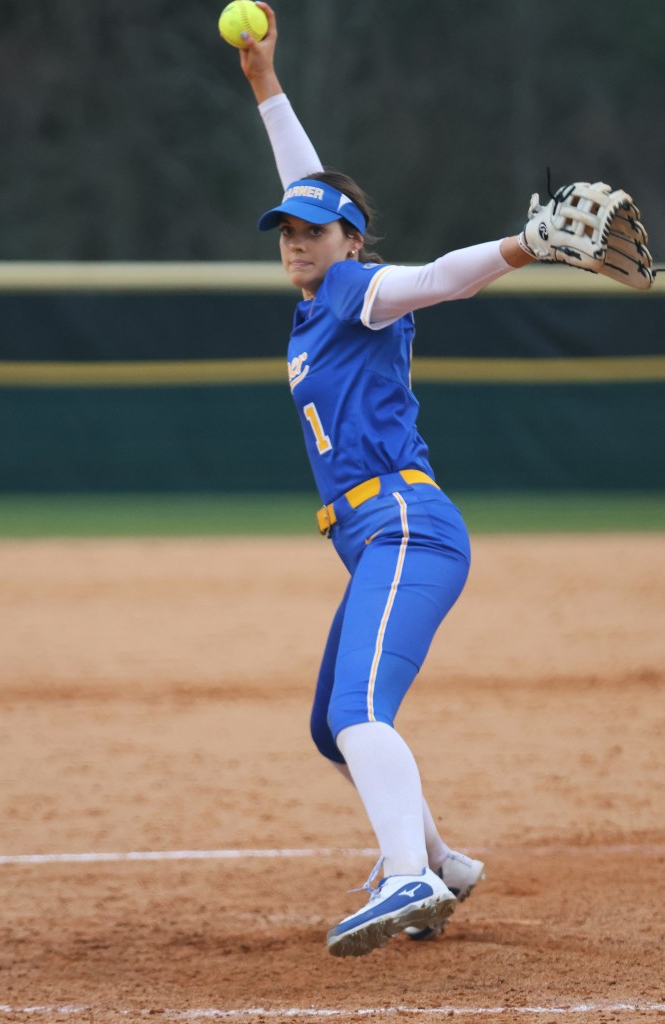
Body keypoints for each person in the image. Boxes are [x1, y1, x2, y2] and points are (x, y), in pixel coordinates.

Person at [234, 3, 536, 958]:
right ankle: (441, 863)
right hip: (373, 536)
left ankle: (407, 874)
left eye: (314, 232)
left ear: (352, 243)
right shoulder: (319, 301)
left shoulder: (358, 291)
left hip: (405, 525)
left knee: (359, 711)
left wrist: (522, 247)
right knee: (334, 730)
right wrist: (264, 83)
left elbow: (440, 278)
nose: (296, 240)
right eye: (286, 230)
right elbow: (310, 184)